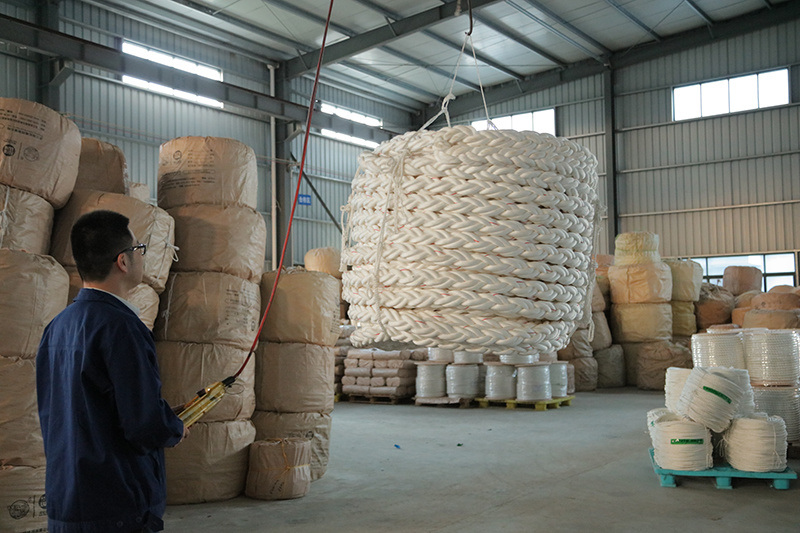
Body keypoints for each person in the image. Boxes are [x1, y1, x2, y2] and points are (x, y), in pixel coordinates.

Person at [37, 210, 186, 533]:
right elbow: (142, 423)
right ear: (123, 261)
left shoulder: (57, 327)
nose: (141, 257)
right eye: (139, 250)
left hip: (66, 499)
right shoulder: (122, 328)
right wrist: (173, 428)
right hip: (116, 501)